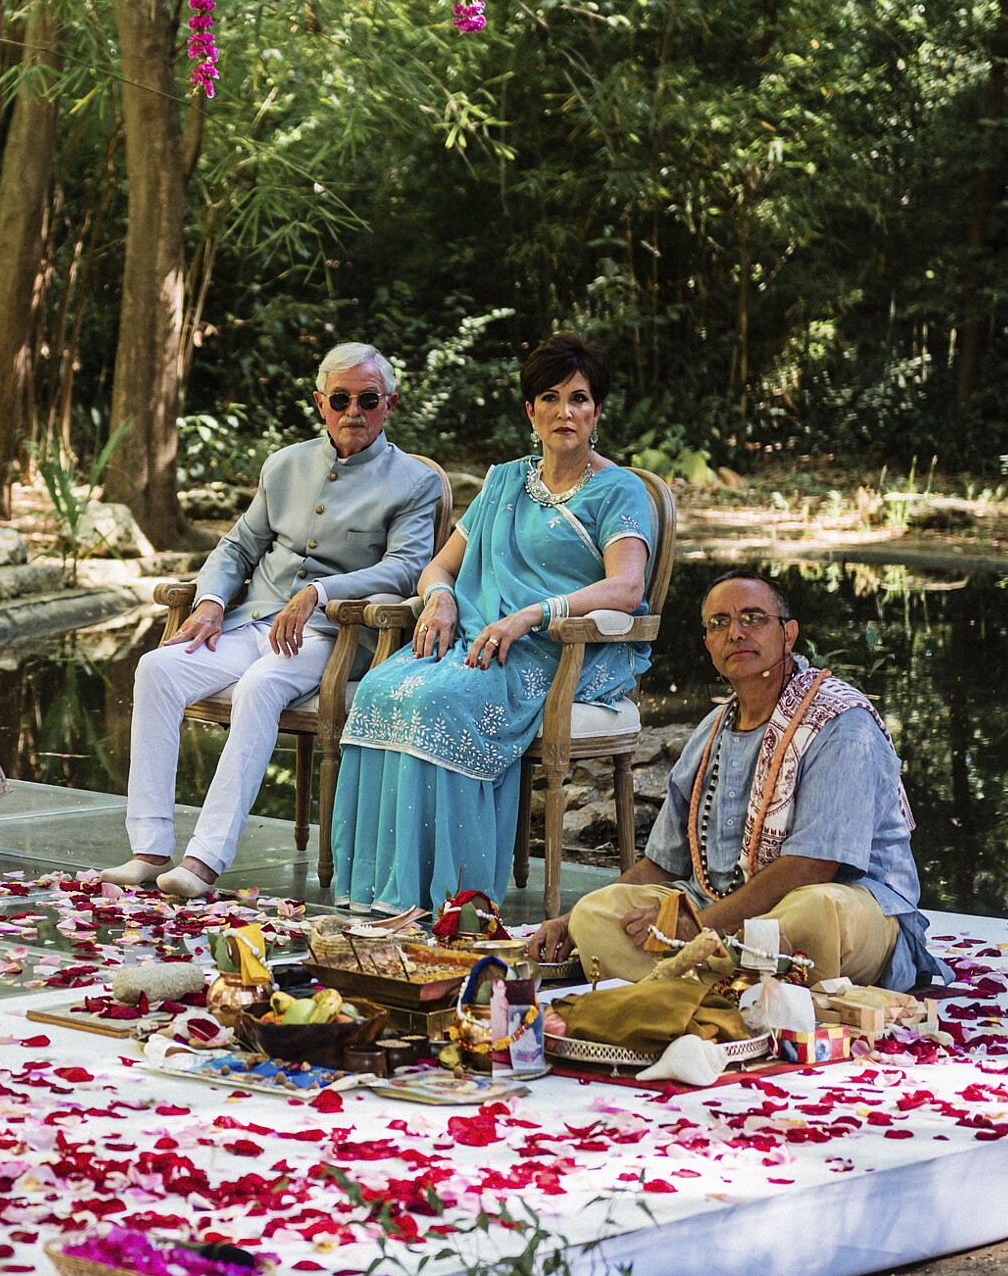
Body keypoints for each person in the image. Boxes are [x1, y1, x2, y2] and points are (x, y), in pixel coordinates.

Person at [328, 333, 654, 912]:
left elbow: (627, 587)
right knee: (378, 688)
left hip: (554, 649)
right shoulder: (505, 481)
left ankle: (455, 894)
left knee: (443, 699)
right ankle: (380, 889)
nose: (565, 412)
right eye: (550, 398)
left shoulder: (619, 490)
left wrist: (532, 615)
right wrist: (441, 599)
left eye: (578, 398)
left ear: (596, 412)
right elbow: (439, 567)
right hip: (476, 637)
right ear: (531, 411)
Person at [105, 342, 443, 900]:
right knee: (157, 669)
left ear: (390, 404)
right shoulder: (285, 464)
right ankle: (149, 847)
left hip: (334, 634)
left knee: (259, 687)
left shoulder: (414, 481)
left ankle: (205, 859)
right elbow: (238, 546)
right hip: (254, 620)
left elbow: (406, 568)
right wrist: (212, 602)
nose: (353, 411)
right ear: (320, 403)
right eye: (340, 399)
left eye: (368, 399)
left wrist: (320, 592)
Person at [527, 572, 946, 991]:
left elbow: (812, 867)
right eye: (719, 623)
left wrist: (699, 926)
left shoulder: (840, 722)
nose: (736, 633)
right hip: (719, 914)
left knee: (816, 915)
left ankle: (695, 979)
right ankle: (740, 984)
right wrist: (568, 920)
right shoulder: (712, 730)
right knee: (596, 914)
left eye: (753, 618)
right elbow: (663, 864)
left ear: (788, 635)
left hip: (847, 910)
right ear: (708, 644)